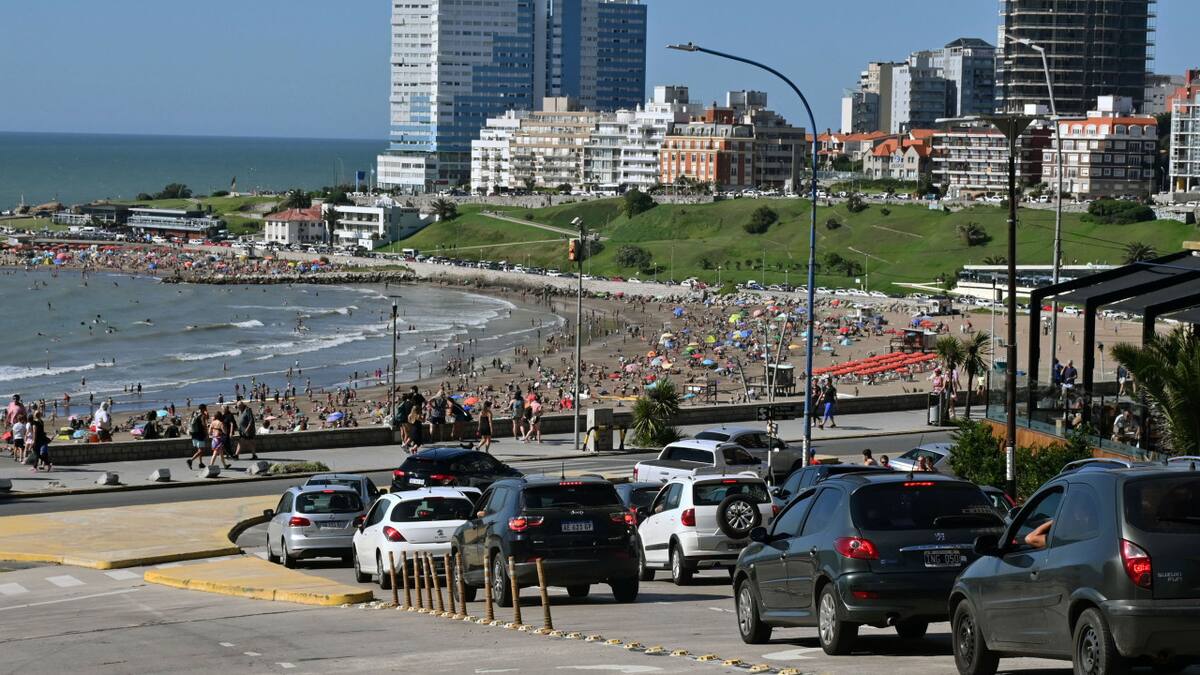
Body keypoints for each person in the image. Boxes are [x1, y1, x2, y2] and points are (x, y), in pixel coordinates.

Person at [187, 404, 209, 470]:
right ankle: (190, 460)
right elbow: (204, 425)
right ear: (203, 409)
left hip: (194, 433)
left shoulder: (195, 413)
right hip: (200, 434)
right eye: (205, 408)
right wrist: (207, 433)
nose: (206, 409)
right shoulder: (202, 415)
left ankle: (201, 463)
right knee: (201, 450)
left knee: (199, 449)